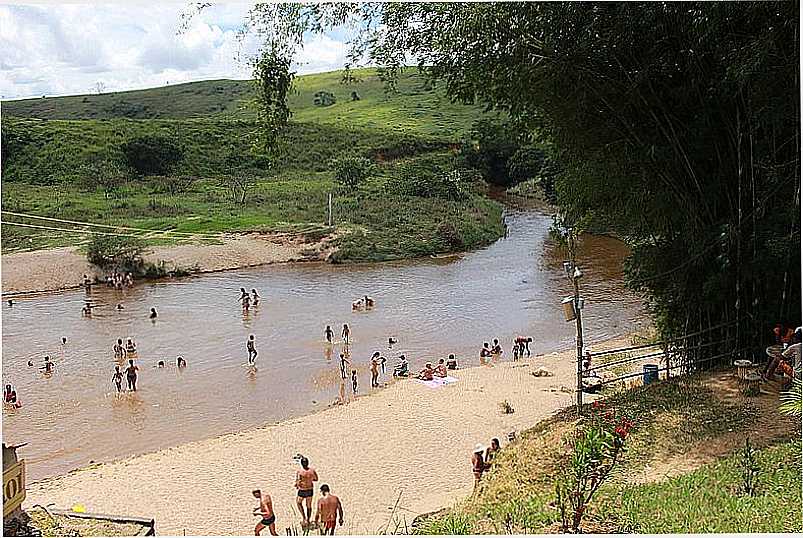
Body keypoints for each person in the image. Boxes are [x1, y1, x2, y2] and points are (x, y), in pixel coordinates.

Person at [294, 456, 319, 528]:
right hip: (310, 490)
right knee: (308, 506)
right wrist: (309, 480)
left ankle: (304, 517)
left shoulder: (300, 472)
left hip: (302, 490)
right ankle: (308, 519)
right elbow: (316, 479)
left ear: (301, 464)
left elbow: (298, 481)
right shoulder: (312, 471)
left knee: (299, 503)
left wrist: (297, 485)